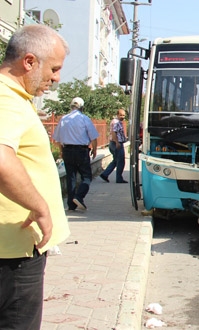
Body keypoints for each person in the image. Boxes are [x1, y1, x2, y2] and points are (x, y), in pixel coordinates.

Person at [0, 24, 70, 330]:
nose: (56, 78)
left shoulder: (14, 97)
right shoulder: (6, 98)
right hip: (13, 249)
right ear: (29, 61)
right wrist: (40, 207)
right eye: (54, 69)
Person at [53, 97, 99, 211]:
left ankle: (71, 204)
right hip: (81, 151)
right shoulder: (84, 118)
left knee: (71, 177)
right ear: (82, 107)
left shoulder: (64, 119)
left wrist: (61, 152)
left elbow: (57, 139)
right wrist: (94, 149)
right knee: (87, 177)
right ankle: (79, 196)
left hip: (67, 151)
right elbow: (93, 137)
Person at [100, 108, 128, 183]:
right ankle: (119, 178)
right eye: (121, 115)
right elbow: (113, 132)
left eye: (123, 115)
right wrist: (117, 142)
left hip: (115, 143)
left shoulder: (118, 122)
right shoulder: (116, 122)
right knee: (121, 161)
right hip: (116, 143)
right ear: (117, 115)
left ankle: (105, 174)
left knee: (116, 161)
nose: (122, 117)